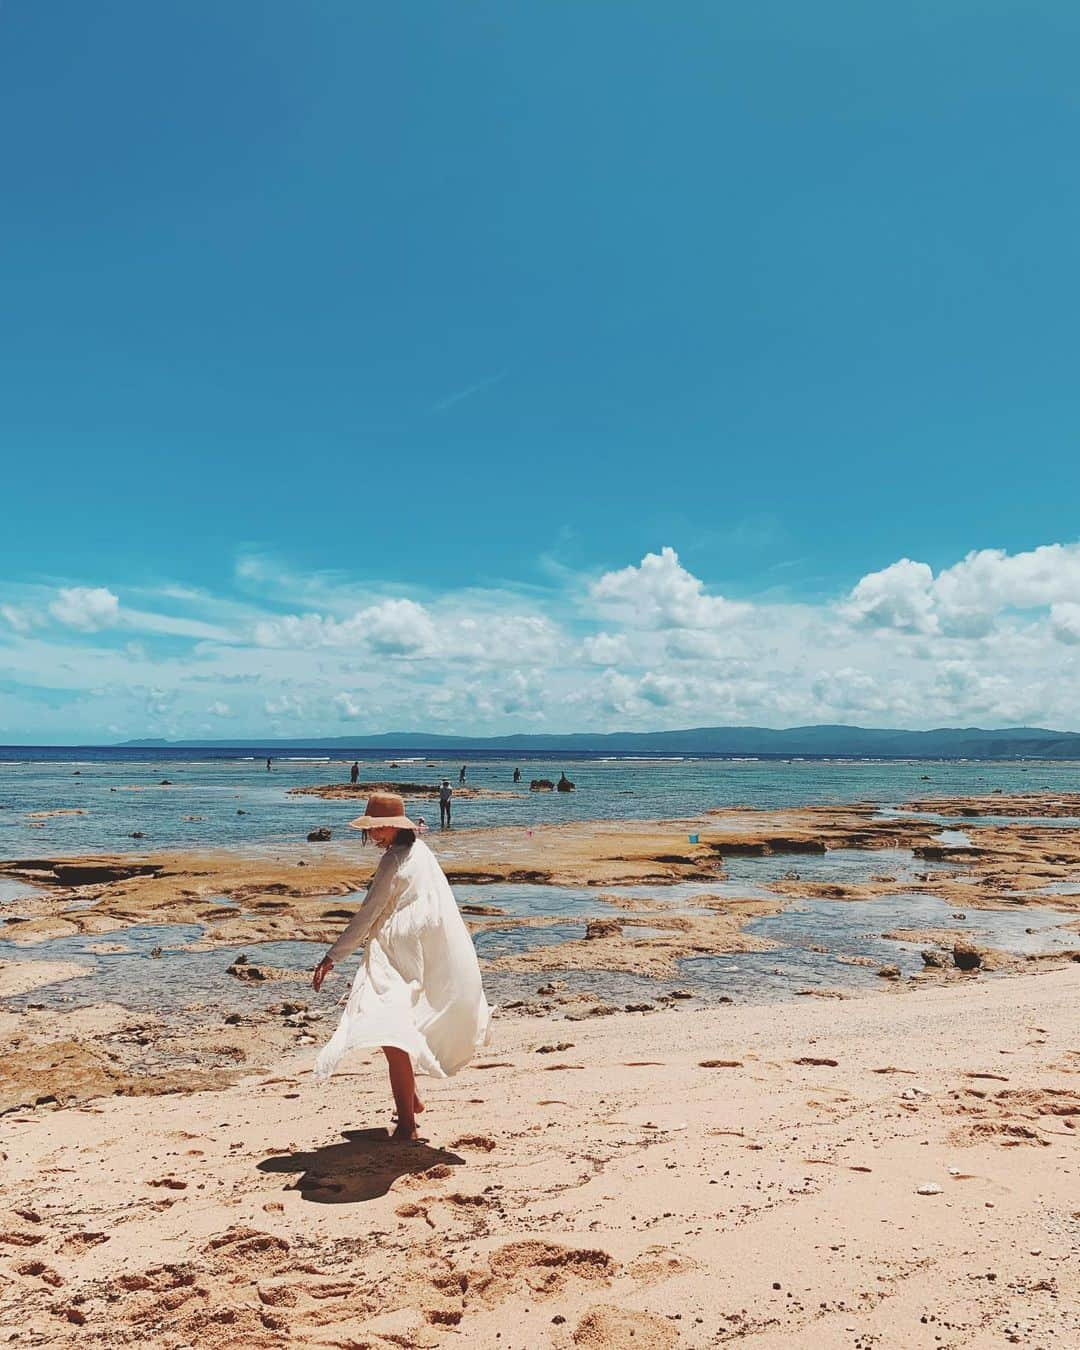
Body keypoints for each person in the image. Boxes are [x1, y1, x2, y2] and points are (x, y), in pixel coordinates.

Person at [311, 792, 490, 1140]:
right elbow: (439, 903)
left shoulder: (393, 861)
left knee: (390, 1036)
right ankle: (412, 1101)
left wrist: (333, 956)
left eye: (377, 829)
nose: (373, 835)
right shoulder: (421, 852)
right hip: (417, 950)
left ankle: (407, 1125)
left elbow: (368, 912)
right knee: (394, 1029)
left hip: (394, 953)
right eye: (372, 829)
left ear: (393, 826)